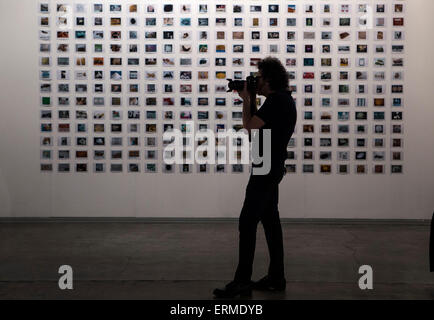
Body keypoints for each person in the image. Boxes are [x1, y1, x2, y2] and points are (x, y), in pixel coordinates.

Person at [213, 57, 297, 298]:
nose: (255, 81)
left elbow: (249, 127)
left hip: (266, 170)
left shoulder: (276, 101)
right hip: (270, 166)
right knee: (271, 223)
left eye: (258, 78)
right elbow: (255, 131)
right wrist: (248, 99)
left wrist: (249, 99)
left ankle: (242, 281)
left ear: (269, 79)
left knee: (247, 222)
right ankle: (276, 277)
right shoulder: (281, 100)